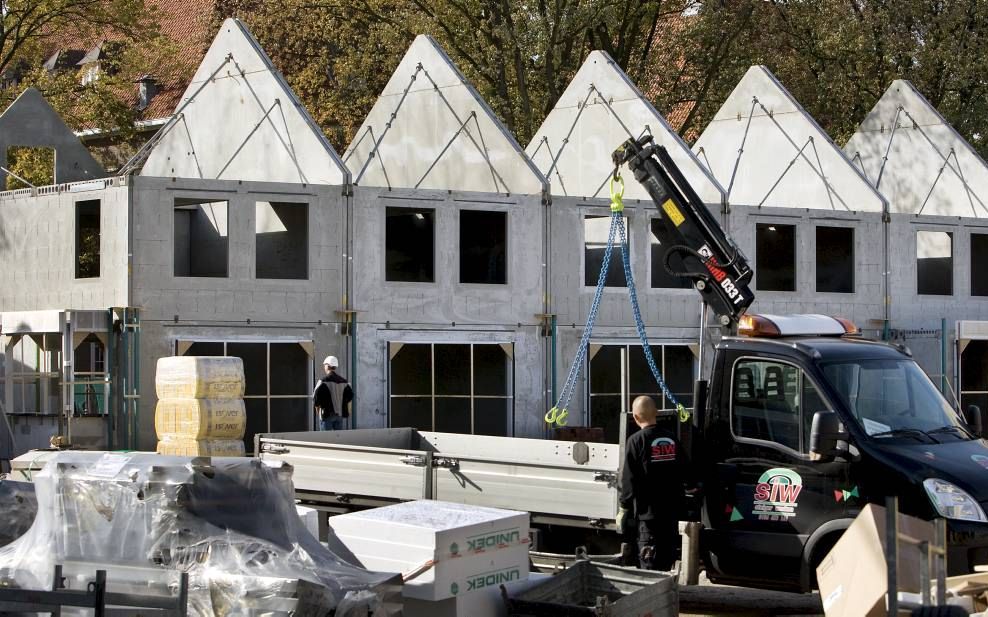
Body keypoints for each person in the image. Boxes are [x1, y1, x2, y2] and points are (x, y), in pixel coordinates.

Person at [618, 395, 687, 570]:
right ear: (656, 413)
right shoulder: (672, 438)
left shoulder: (635, 441)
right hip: (671, 514)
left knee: (649, 562)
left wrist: (624, 507)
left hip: (648, 517)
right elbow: (685, 469)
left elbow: (628, 479)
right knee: (665, 560)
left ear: (635, 417)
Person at [313, 356, 353, 430]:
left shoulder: (322, 382)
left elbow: (316, 400)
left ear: (328, 366)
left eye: (324, 365)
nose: (324, 367)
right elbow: (350, 398)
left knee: (325, 440)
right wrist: (348, 412)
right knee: (337, 439)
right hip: (339, 416)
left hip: (326, 415)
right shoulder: (345, 382)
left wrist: (319, 414)